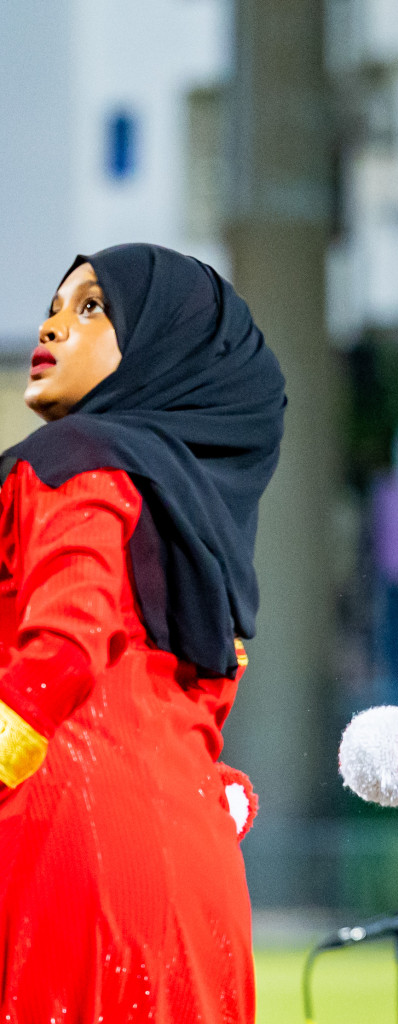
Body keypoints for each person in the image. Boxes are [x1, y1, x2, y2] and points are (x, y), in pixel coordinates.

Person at [0, 245, 285, 1021]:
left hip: (58, 859)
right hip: (197, 883)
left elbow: (60, 654)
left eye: (92, 307)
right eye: (58, 305)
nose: (54, 324)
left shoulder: (71, 462)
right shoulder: (200, 525)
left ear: (166, 346)